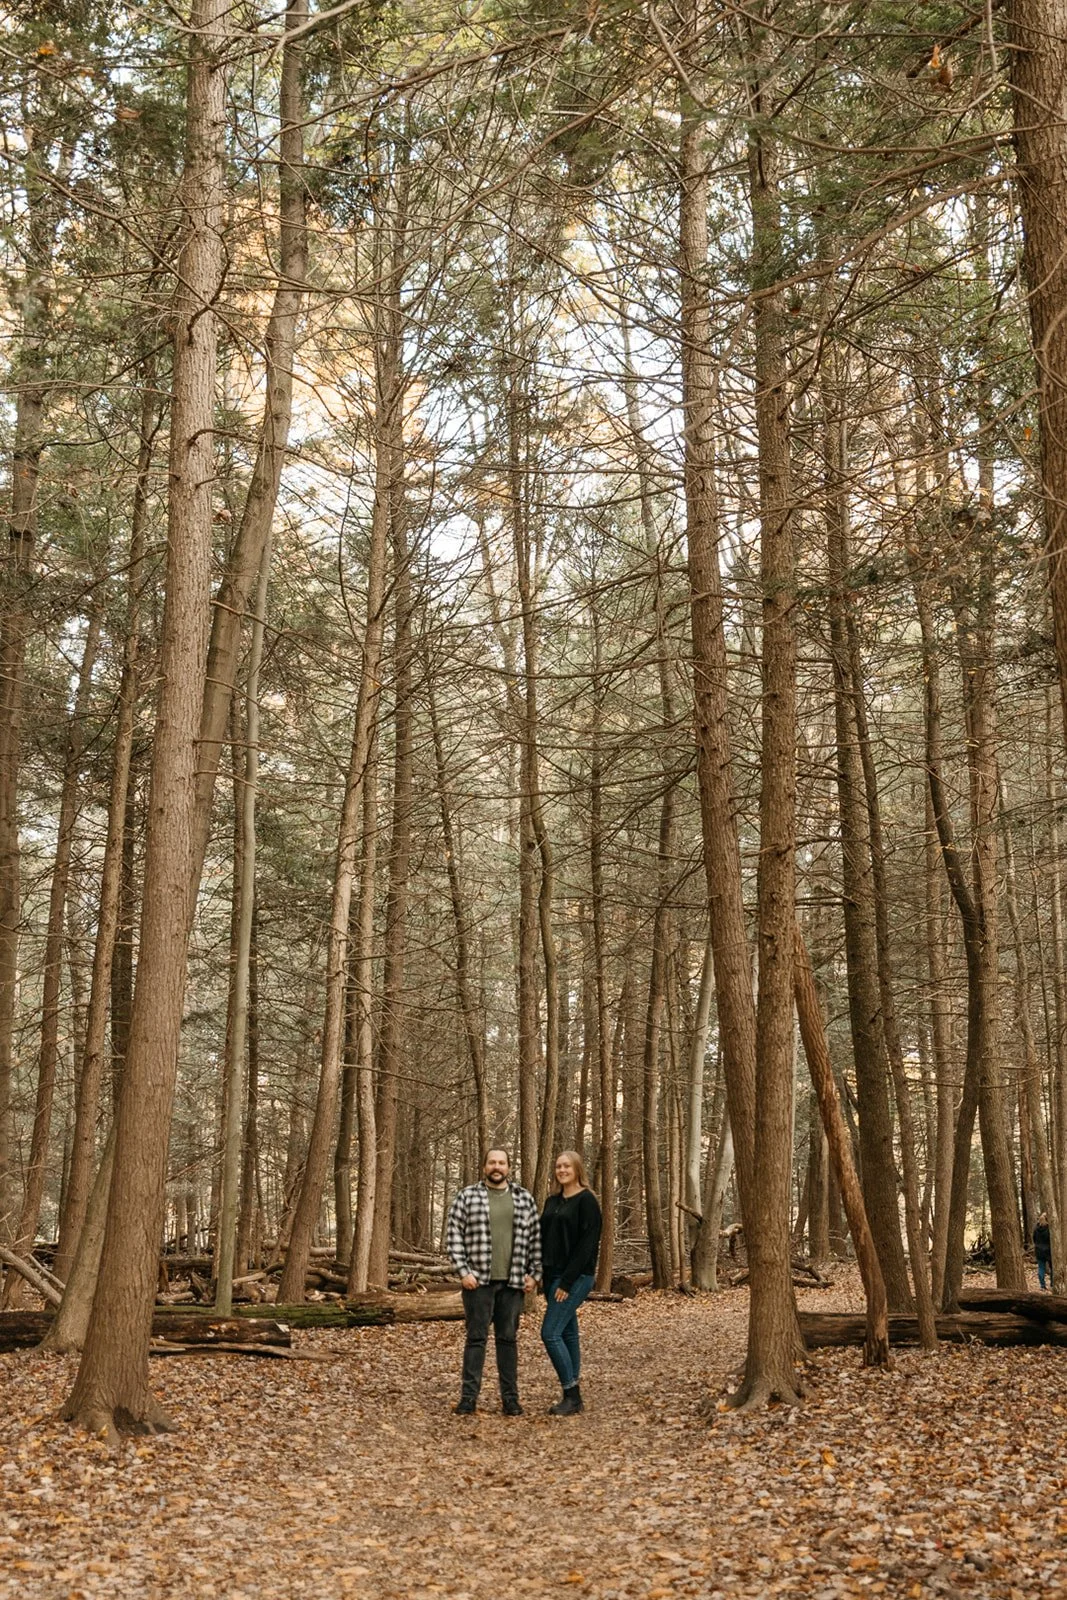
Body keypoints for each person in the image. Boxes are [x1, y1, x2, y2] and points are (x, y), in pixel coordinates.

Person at [446, 1147, 541, 1416]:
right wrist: (463, 1272)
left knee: (507, 1340)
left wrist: (534, 1274)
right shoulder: (467, 1196)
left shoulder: (524, 1198)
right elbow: (453, 1236)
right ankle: (468, 1398)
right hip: (478, 1283)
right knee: (476, 1339)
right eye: (492, 1162)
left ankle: (510, 1399)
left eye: (501, 1163)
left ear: (509, 1167)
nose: (496, 1167)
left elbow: (536, 1239)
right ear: (484, 1166)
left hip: (512, 1284)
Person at [539, 1149, 602, 1416]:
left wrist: (566, 1282)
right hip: (552, 1276)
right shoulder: (552, 1202)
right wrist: (542, 1276)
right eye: (558, 1166)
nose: (562, 1170)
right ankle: (574, 1395)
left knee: (550, 1333)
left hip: (576, 1278)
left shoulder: (587, 1201)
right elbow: (543, 1240)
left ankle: (571, 1394)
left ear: (577, 1169)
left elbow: (587, 1246)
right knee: (567, 1333)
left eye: (567, 1166)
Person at [1034, 1211, 1053, 1291]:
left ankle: (1042, 1285)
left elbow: (1034, 1239)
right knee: (1053, 1268)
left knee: (1041, 1268)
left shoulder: (1036, 1228)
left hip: (1039, 1251)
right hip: (1048, 1251)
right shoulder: (1049, 1229)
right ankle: (1052, 1284)